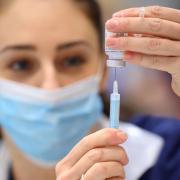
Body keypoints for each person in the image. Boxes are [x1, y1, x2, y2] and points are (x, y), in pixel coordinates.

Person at [0, 1, 179, 180]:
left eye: (72, 60)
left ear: (103, 72)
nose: (51, 88)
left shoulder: (171, 154)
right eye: (20, 64)